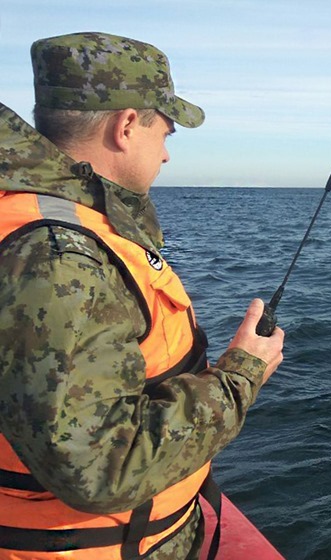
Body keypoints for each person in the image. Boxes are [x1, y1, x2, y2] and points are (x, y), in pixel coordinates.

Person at [0, 32, 285, 559]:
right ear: (127, 125)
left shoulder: (39, 220)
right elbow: (100, 467)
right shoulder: (58, 258)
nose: (168, 155)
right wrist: (242, 374)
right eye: (165, 132)